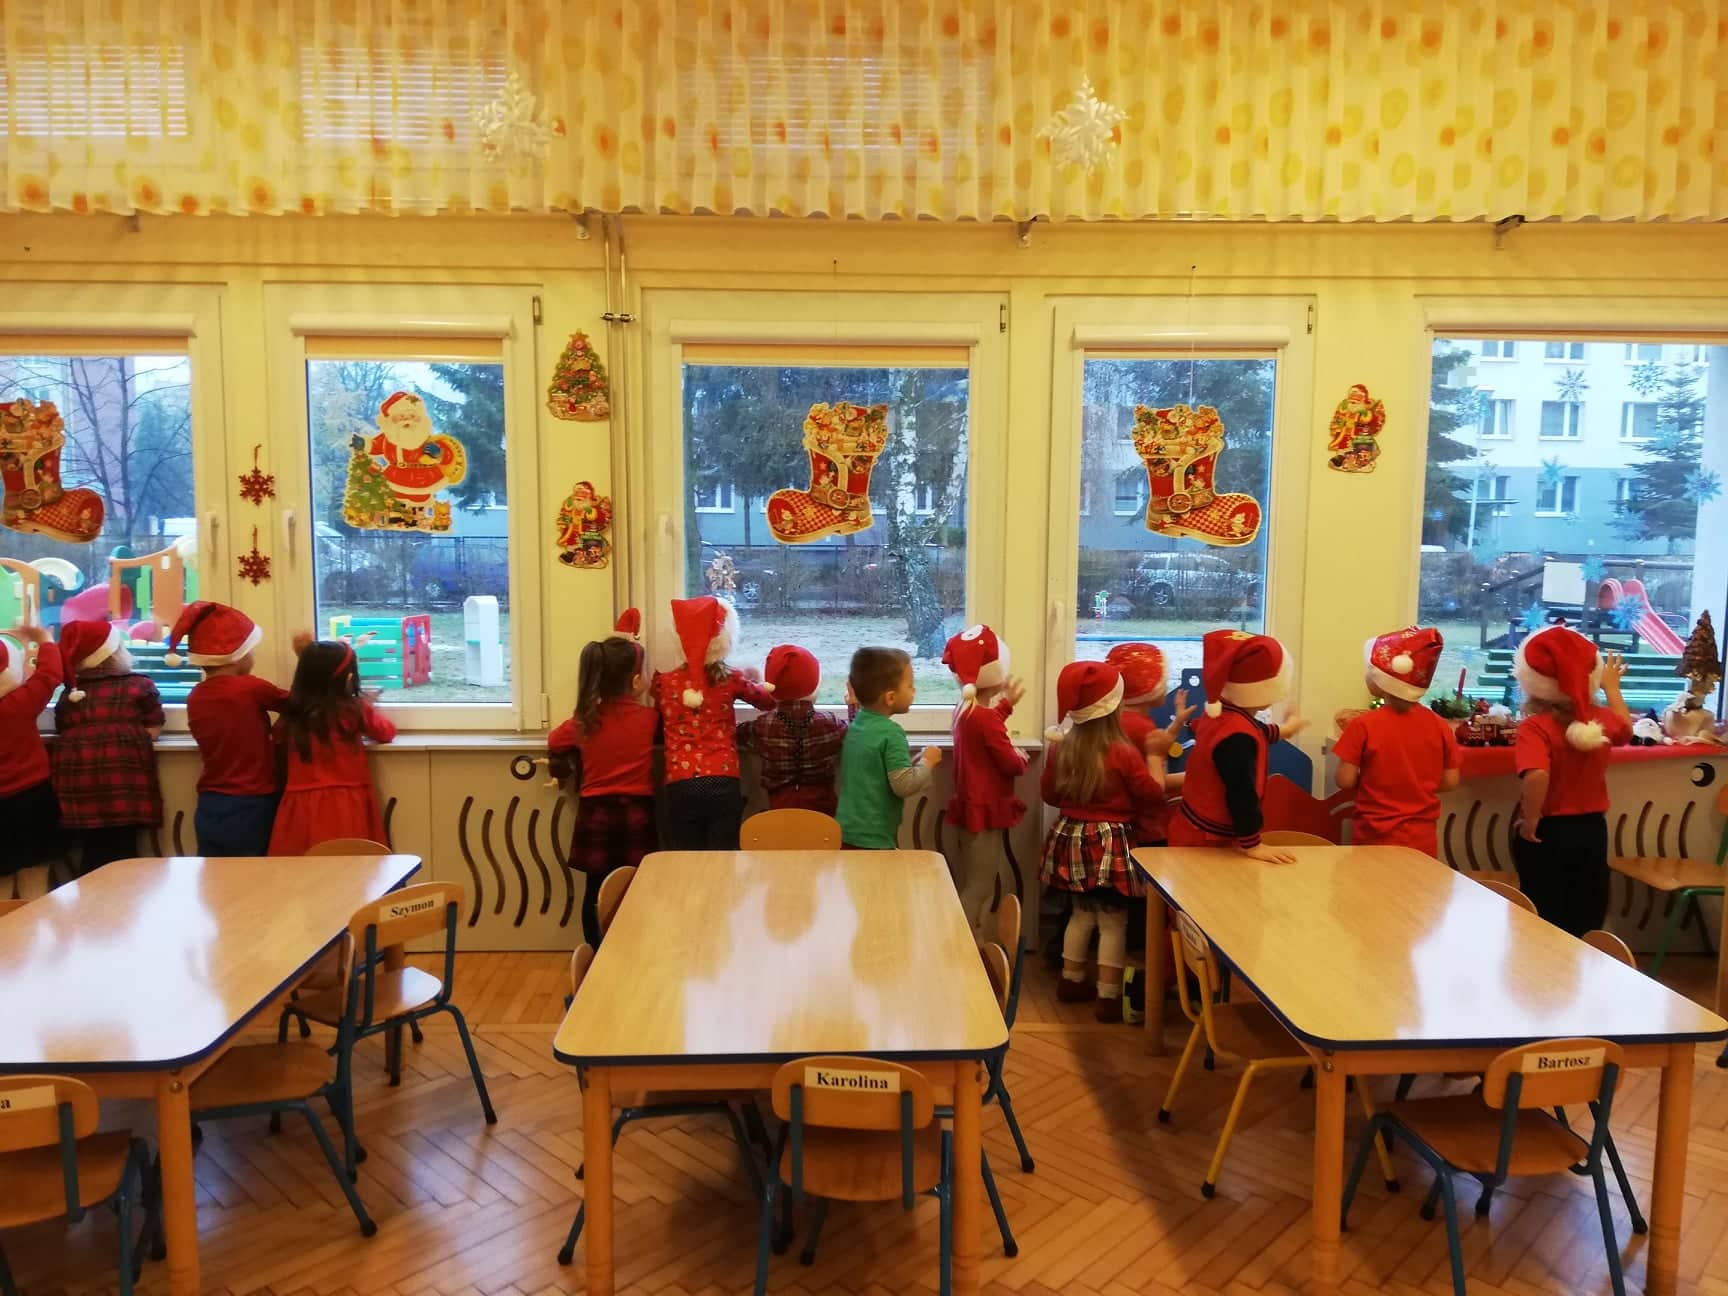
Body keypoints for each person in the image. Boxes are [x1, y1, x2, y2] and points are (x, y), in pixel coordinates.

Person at [1040, 661, 1167, 1023]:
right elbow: (1151, 795)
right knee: (1113, 921)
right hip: (1109, 841)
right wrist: (1155, 756)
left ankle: (1071, 980)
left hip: (1071, 837)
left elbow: (1049, 794)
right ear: (1114, 705)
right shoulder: (1122, 751)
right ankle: (1108, 996)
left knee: (1081, 915)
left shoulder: (1062, 748)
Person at [1511, 625, 1633, 935]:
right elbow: (1625, 729)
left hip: (1549, 832)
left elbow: (1537, 774)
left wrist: (1531, 819)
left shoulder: (1534, 727)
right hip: (1592, 830)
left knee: (1543, 911)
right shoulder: (1601, 720)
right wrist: (1612, 688)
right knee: (1586, 908)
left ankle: (1545, 962)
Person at [550, 621, 660, 946]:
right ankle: (635, 946)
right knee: (637, 886)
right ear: (636, 681)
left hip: (595, 812)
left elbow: (555, 740)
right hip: (637, 812)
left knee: (595, 889)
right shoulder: (649, 719)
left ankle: (597, 953)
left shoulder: (586, 720)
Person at [1168, 629, 1306, 863]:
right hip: (1206, 844)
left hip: (1194, 831)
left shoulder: (1220, 713)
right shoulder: (1237, 737)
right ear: (1265, 690)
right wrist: (1252, 844)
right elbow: (1241, 792)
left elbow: (1257, 731)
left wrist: (1287, 728)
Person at [650, 596, 777, 849]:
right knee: (722, 859)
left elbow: (658, 715)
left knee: (685, 859)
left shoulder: (663, 684)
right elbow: (767, 702)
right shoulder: (731, 679)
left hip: (680, 782)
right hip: (723, 779)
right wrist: (756, 680)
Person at [167, 601, 287, 856]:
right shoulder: (250, 688)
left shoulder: (196, 695)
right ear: (238, 655)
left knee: (215, 871)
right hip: (253, 800)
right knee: (254, 872)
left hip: (211, 802)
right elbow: (298, 703)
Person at [1334, 626, 1461, 858]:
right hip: (1422, 840)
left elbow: (1344, 780)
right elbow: (1450, 781)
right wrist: (1416, 787)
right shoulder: (1440, 725)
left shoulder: (1363, 725)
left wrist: (1375, 784)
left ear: (1382, 679)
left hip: (1373, 836)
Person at [53, 619, 163, 874]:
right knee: (124, 851)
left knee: (91, 850)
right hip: (123, 784)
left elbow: (62, 726)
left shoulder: (71, 694)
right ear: (117, 652)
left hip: (79, 787)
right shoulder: (139, 685)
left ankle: (90, 893)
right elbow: (153, 729)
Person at [268, 637, 396, 855]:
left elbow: (278, 740)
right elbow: (386, 732)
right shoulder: (353, 709)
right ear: (349, 678)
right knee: (350, 865)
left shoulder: (293, 712)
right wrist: (368, 705)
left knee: (299, 869)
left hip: (301, 807)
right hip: (345, 807)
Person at [941, 624, 1028, 937]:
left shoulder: (965, 710)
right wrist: (1022, 757)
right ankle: (965, 944)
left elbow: (986, 730)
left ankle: (971, 941)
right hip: (986, 810)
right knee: (980, 887)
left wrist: (1006, 706)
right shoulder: (984, 717)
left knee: (973, 882)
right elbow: (1010, 764)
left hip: (971, 807)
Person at [836, 647, 940, 850]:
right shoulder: (891, 733)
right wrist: (928, 761)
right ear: (890, 698)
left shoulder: (857, 724)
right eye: (910, 685)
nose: (914, 690)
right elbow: (904, 785)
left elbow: (878, 770)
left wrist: (914, 764)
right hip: (874, 837)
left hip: (846, 831)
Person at [736, 643, 848, 816]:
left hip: (780, 808)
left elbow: (736, 734)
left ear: (771, 689)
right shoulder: (829, 722)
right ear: (814, 687)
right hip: (822, 810)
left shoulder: (764, 725)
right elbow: (855, 733)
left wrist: (756, 689)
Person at [1104, 641, 1192, 846]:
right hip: (1147, 828)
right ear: (1148, 689)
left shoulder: (1119, 721)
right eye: (1163, 682)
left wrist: (1177, 723)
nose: (1166, 687)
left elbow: (1154, 748)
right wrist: (1196, 778)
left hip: (1128, 826)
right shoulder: (1142, 729)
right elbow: (1157, 783)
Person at [0, 623, 63, 898]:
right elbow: (50, 674)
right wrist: (42, 637)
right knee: (35, 880)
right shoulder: (19, 703)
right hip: (31, 799)